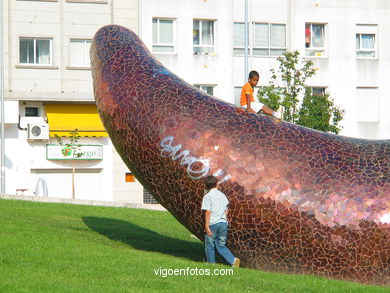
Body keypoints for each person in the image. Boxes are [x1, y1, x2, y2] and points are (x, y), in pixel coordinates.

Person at [201, 175, 240, 267]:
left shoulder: (208, 196)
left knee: (210, 245)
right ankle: (233, 260)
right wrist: (223, 217)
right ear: (217, 184)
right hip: (223, 223)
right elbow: (227, 209)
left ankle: (211, 264)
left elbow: (208, 212)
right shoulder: (222, 195)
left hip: (213, 223)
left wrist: (206, 226)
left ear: (205, 186)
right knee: (221, 245)